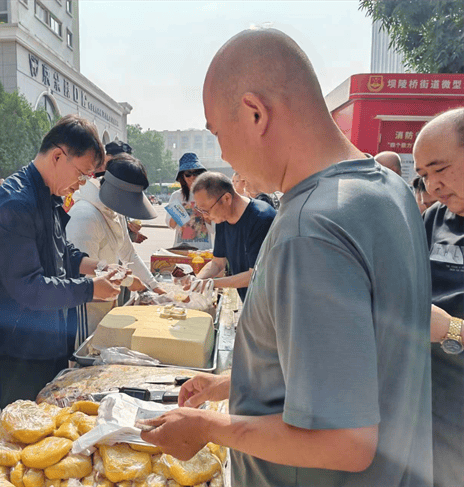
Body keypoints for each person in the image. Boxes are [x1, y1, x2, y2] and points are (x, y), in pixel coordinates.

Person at [140, 29, 432, 487]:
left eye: (219, 133)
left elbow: (345, 441)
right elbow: (351, 356)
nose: (226, 156)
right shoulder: (386, 187)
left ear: (255, 113)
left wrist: (208, 427)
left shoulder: (309, 231)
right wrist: (240, 382)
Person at [0, 115, 126, 409]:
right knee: (24, 430)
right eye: (82, 174)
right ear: (58, 156)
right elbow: (27, 287)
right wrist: (90, 289)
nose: (82, 184)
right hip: (21, 348)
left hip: (49, 338)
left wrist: (99, 268)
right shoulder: (17, 202)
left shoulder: (47, 195)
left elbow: (64, 254)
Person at [413, 107, 464, 487]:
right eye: (424, 176)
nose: (431, 186)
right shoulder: (435, 219)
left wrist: (452, 329)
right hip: (426, 405)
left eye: (439, 169)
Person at [66, 153, 165, 339]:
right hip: (83, 311)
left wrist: (155, 287)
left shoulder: (112, 208)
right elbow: (87, 275)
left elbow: (129, 254)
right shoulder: (85, 217)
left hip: (106, 302)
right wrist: (131, 281)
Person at [192, 172, 275, 302]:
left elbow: (254, 275)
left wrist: (212, 283)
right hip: (249, 301)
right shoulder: (222, 218)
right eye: (200, 210)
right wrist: (196, 281)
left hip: (273, 303)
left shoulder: (261, 218)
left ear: (226, 199)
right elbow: (217, 262)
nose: (205, 216)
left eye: (206, 210)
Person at [165, 153, 214, 249]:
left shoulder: (209, 195)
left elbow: (214, 228)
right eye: (188, 174)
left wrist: (206, 216)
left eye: (196, 173)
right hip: (181, 247)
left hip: (203, 249)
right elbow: (171, 225)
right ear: (182, 176)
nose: (192, 177)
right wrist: (178, 212)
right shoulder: (177, 196)